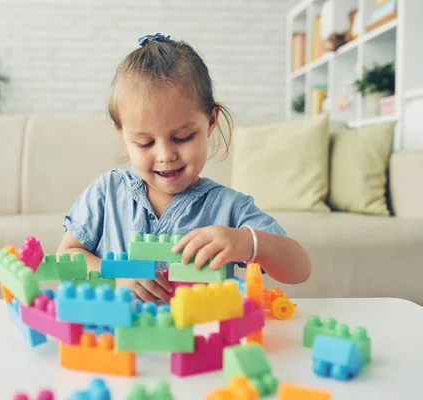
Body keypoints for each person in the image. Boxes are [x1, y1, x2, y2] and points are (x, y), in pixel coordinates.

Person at [57, 33, 311, 302]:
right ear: (122, 134)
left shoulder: (229, 209)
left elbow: (300, 269)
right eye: (145, 142)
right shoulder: (106, 193)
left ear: (210, 122)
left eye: (183, 137)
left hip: (200, 340)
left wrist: (248, 243)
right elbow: (66, 257)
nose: (166, 155)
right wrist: (115, 275)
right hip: (116, 338)